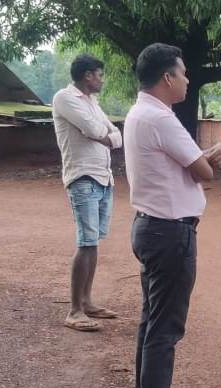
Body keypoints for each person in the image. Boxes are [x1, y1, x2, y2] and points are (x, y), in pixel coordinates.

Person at [124, 43, 221, 388]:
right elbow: (203, 172)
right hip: (169, 232)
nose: (187, 79)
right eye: (183, 73)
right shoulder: (161, 118)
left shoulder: (140, 113)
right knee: (165, 327)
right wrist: (212, 156)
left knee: (152, 318)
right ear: (167, 78)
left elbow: (180, 165)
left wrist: (200, 160)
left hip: (151, 227)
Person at [52, 54, 123, 332]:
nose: (102, 80)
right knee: (86, 242)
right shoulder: (64, 98)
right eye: (100, 75)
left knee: (93, 242)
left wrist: (106, 136)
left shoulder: (92, 102)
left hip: (103, 178)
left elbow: (114, 134)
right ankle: (74, 311)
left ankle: (87, 302)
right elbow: (94, 129)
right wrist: (104, 135)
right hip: (82, 177)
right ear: (87, 75)